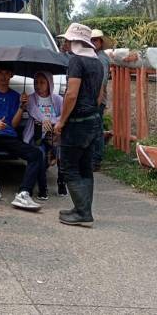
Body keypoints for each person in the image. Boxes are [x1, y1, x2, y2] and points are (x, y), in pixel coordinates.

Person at [0, 64, 44, 211]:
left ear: (11, 75)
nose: (4, 76)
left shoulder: (15, 96)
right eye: (0, 73)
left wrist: (21, 107)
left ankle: (24, 193)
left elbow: (14, 124)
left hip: (9, 137)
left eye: (7, 73)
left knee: (36, 154)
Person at [55, 23, 104, 227]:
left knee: (68, 166)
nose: (65, 43)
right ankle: (83, 209)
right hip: (93, 120)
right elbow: (100, 95)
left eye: (68, 40)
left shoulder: (76, 61)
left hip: (76, 123)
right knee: (85, 167)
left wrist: (62, 121)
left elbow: (72, 94)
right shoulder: (98, 62)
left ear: (77, 42)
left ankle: (83, 213)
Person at [22, 71, 66, 199]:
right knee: (39, 153)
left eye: (42, 82)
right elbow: (34, 111)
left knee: (61, 152)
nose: (38, 86)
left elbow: (63, 116)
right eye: (36, 82)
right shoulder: (30, 98)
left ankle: (62, 182)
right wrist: (44, 119)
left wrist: (51, 121)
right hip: (36, 136)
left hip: (54, 135)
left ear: (49, 83)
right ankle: (43, 187)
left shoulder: (58, 99)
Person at [90, 29, 112, 172]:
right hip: (94, 97)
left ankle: (96, 160)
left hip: (98, 98)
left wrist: (98, 99)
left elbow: (102, 81)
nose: (93, 42)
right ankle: (93, 158)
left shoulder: (102, 58)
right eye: (92, 40)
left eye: (96, 40)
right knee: (95, 128)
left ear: (101, 42)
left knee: (97, 129)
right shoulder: (95, 57)